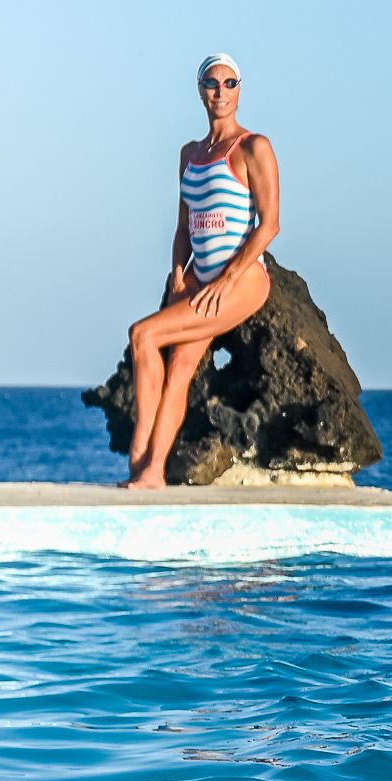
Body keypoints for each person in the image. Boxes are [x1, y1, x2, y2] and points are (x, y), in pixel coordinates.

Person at [122, 54, 280, 489]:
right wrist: (178, 270)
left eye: (230, 83)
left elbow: (270, 224)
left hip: (243, 281)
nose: (221, 92)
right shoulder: (189, 155)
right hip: (198, 278)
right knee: (178, 369)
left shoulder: (253, 147)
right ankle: (151, 470)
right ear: (200, 90)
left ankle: (140, 459)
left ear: (240, 89)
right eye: (212, 83)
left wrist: (228, 279)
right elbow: (184, 226)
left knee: (143, 334)